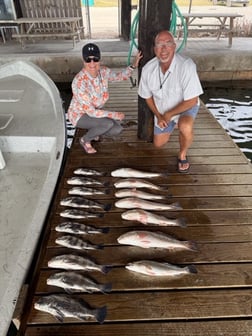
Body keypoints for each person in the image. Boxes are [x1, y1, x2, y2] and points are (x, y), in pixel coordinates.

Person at [138, 30, 203, 173]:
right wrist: (160, 115)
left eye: (168, 44)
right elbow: (147, 96)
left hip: (185, 106)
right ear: (154, 49)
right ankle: (173, 124)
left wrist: (169, 114)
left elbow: (192, 100)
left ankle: (182, 154)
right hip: (162, 109)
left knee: (185, 126)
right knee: (158, 144)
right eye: (159, 45)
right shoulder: (148, 69)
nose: (163, 49)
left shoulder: (187, 65)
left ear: (174, 47)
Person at [67, 43, 143, 154]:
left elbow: (119, 76)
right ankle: (85, 140)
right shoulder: (79, 82)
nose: (92, 63)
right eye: (88, 60)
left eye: (95, 59)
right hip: (80, 115)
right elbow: (91, 112)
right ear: (83, 61)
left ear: (99, 59)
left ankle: (94, 130)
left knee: (117, 129)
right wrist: (114, 115)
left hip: (95, 112)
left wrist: (133, 65)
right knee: (107, 124)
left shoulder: (103, 71)